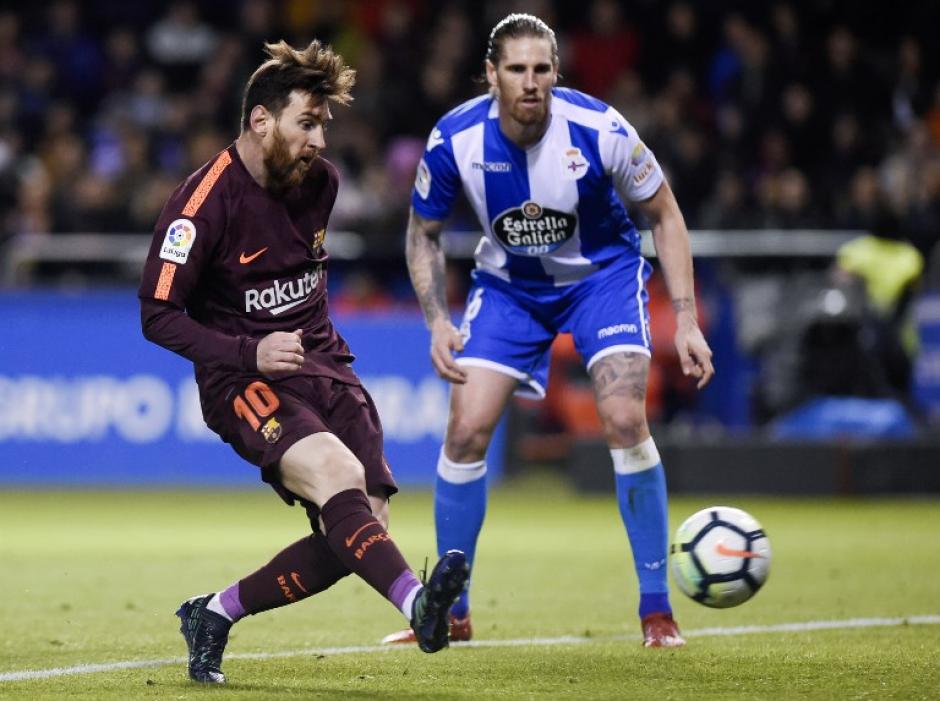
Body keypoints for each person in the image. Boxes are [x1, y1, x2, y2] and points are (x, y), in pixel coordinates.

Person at [138, 40, 469, 684]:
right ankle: (417, 604)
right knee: (336, 472)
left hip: (324, 365)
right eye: (306, 123)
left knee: (362, 528)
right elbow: (157, 315)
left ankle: (214, 612)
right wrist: (247, 351)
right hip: (243, 379)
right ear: (262, 120)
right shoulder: (200, 205)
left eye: (323, 124)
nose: (319, 139)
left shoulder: (321, 183)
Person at [383, 14, 714, 649]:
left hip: (603, 280)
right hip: (510, 290)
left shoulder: (599, 129)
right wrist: (436, 322)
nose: (530, 82)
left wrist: (689, 319)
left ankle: (656, 612)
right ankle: (451, 614)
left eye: (541, 69)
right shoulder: (454, 139)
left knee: (623, 419)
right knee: (466, 427)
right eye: (516, 69)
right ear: (491, 74)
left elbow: (665, 214)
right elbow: (422, 231)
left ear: (555, 73)